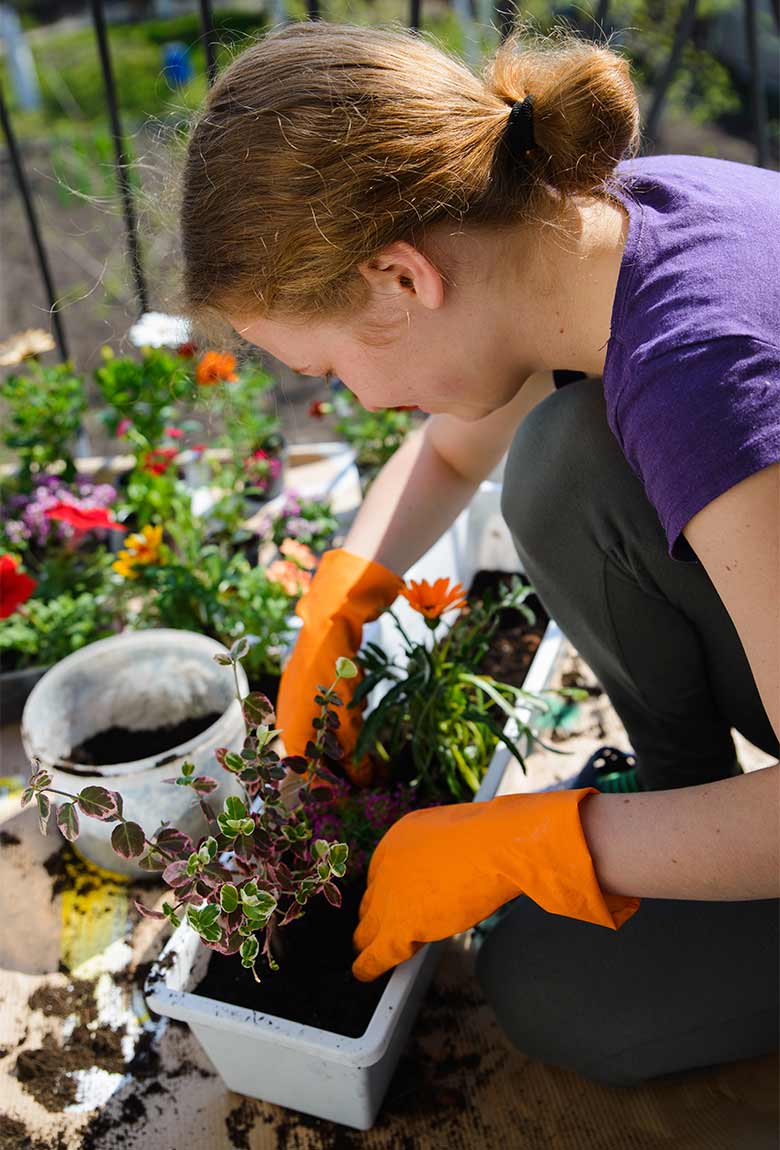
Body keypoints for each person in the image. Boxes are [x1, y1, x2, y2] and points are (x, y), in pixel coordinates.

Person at [179, 21, 779, 1085]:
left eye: (326, 367)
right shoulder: (597, 227)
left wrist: (521, 840)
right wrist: (343, 600)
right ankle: (682, 802)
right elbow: (455, 451)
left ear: (402, 277)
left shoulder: (707, 385)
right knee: (561, 456)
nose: (347, 401)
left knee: (550, 987)